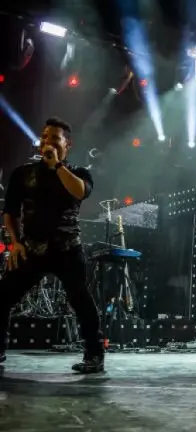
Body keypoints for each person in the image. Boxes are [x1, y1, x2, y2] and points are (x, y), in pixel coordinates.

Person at [0, 117, 104, 373]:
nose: (47, 142)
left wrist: (56, 165)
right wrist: (15, 243)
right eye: (44, 137)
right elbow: (10, 213)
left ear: (67, 145)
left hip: (67, 249)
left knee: (81, 301)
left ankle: (94, 356)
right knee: (3, 296)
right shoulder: (23, 174)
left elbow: (79, 192)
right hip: (32, 249)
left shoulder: (79, 173)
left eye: (55, 139)